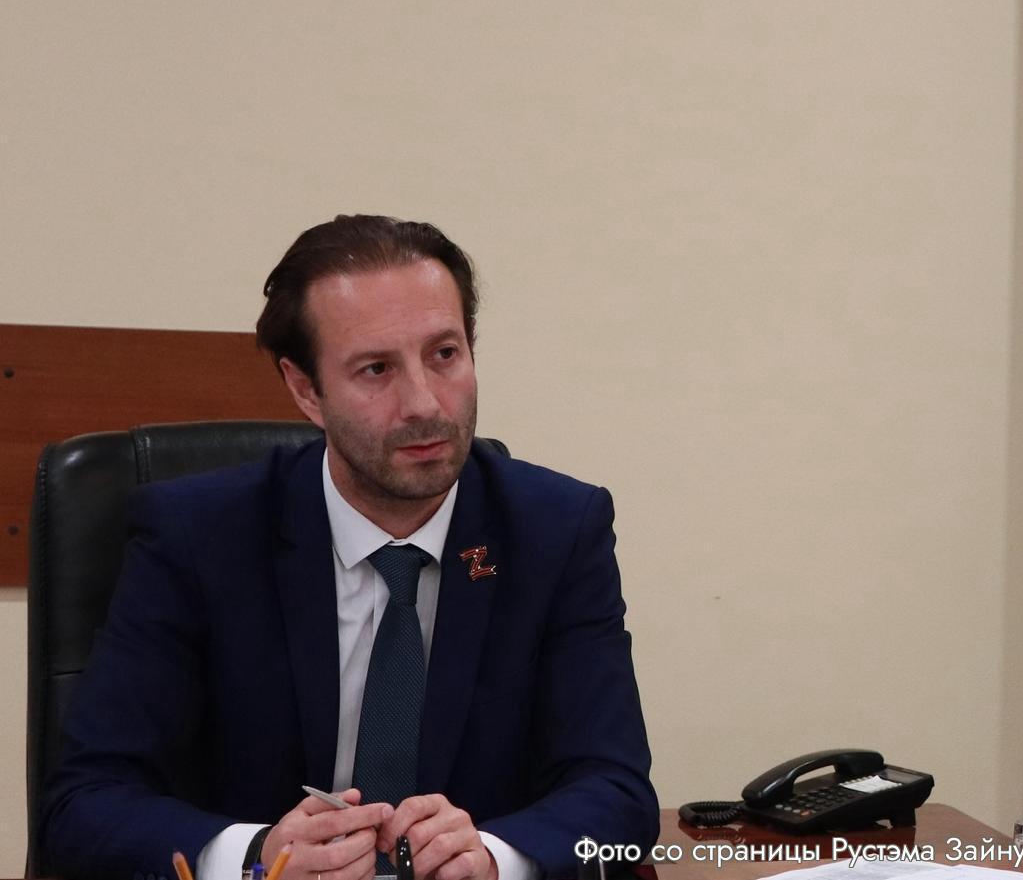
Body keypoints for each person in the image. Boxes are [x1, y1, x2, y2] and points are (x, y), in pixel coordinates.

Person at [41, 215, 659, 880]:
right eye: (376, 368)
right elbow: (82, 804)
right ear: (306, 389)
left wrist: (493, 857)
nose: (425, 403)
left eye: (444, 354)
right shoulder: (197, 537)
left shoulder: (556, 530)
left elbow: (614, 789)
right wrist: (256, 856)